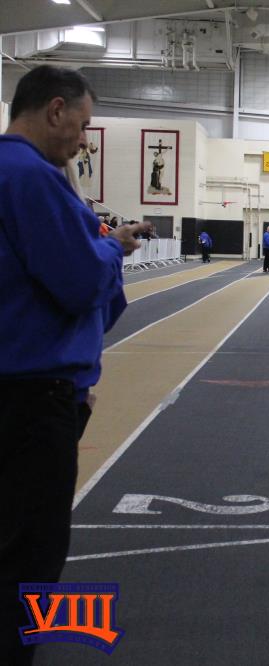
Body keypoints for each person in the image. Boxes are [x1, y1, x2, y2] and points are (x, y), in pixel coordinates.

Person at [0, 65, 151, 666]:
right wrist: (112, 246)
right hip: (31, 400)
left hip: (24, 391)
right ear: (55, 110)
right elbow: (79, 280)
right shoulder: (30, 177)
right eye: (84, 125)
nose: (85, 140)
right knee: (29, 560)